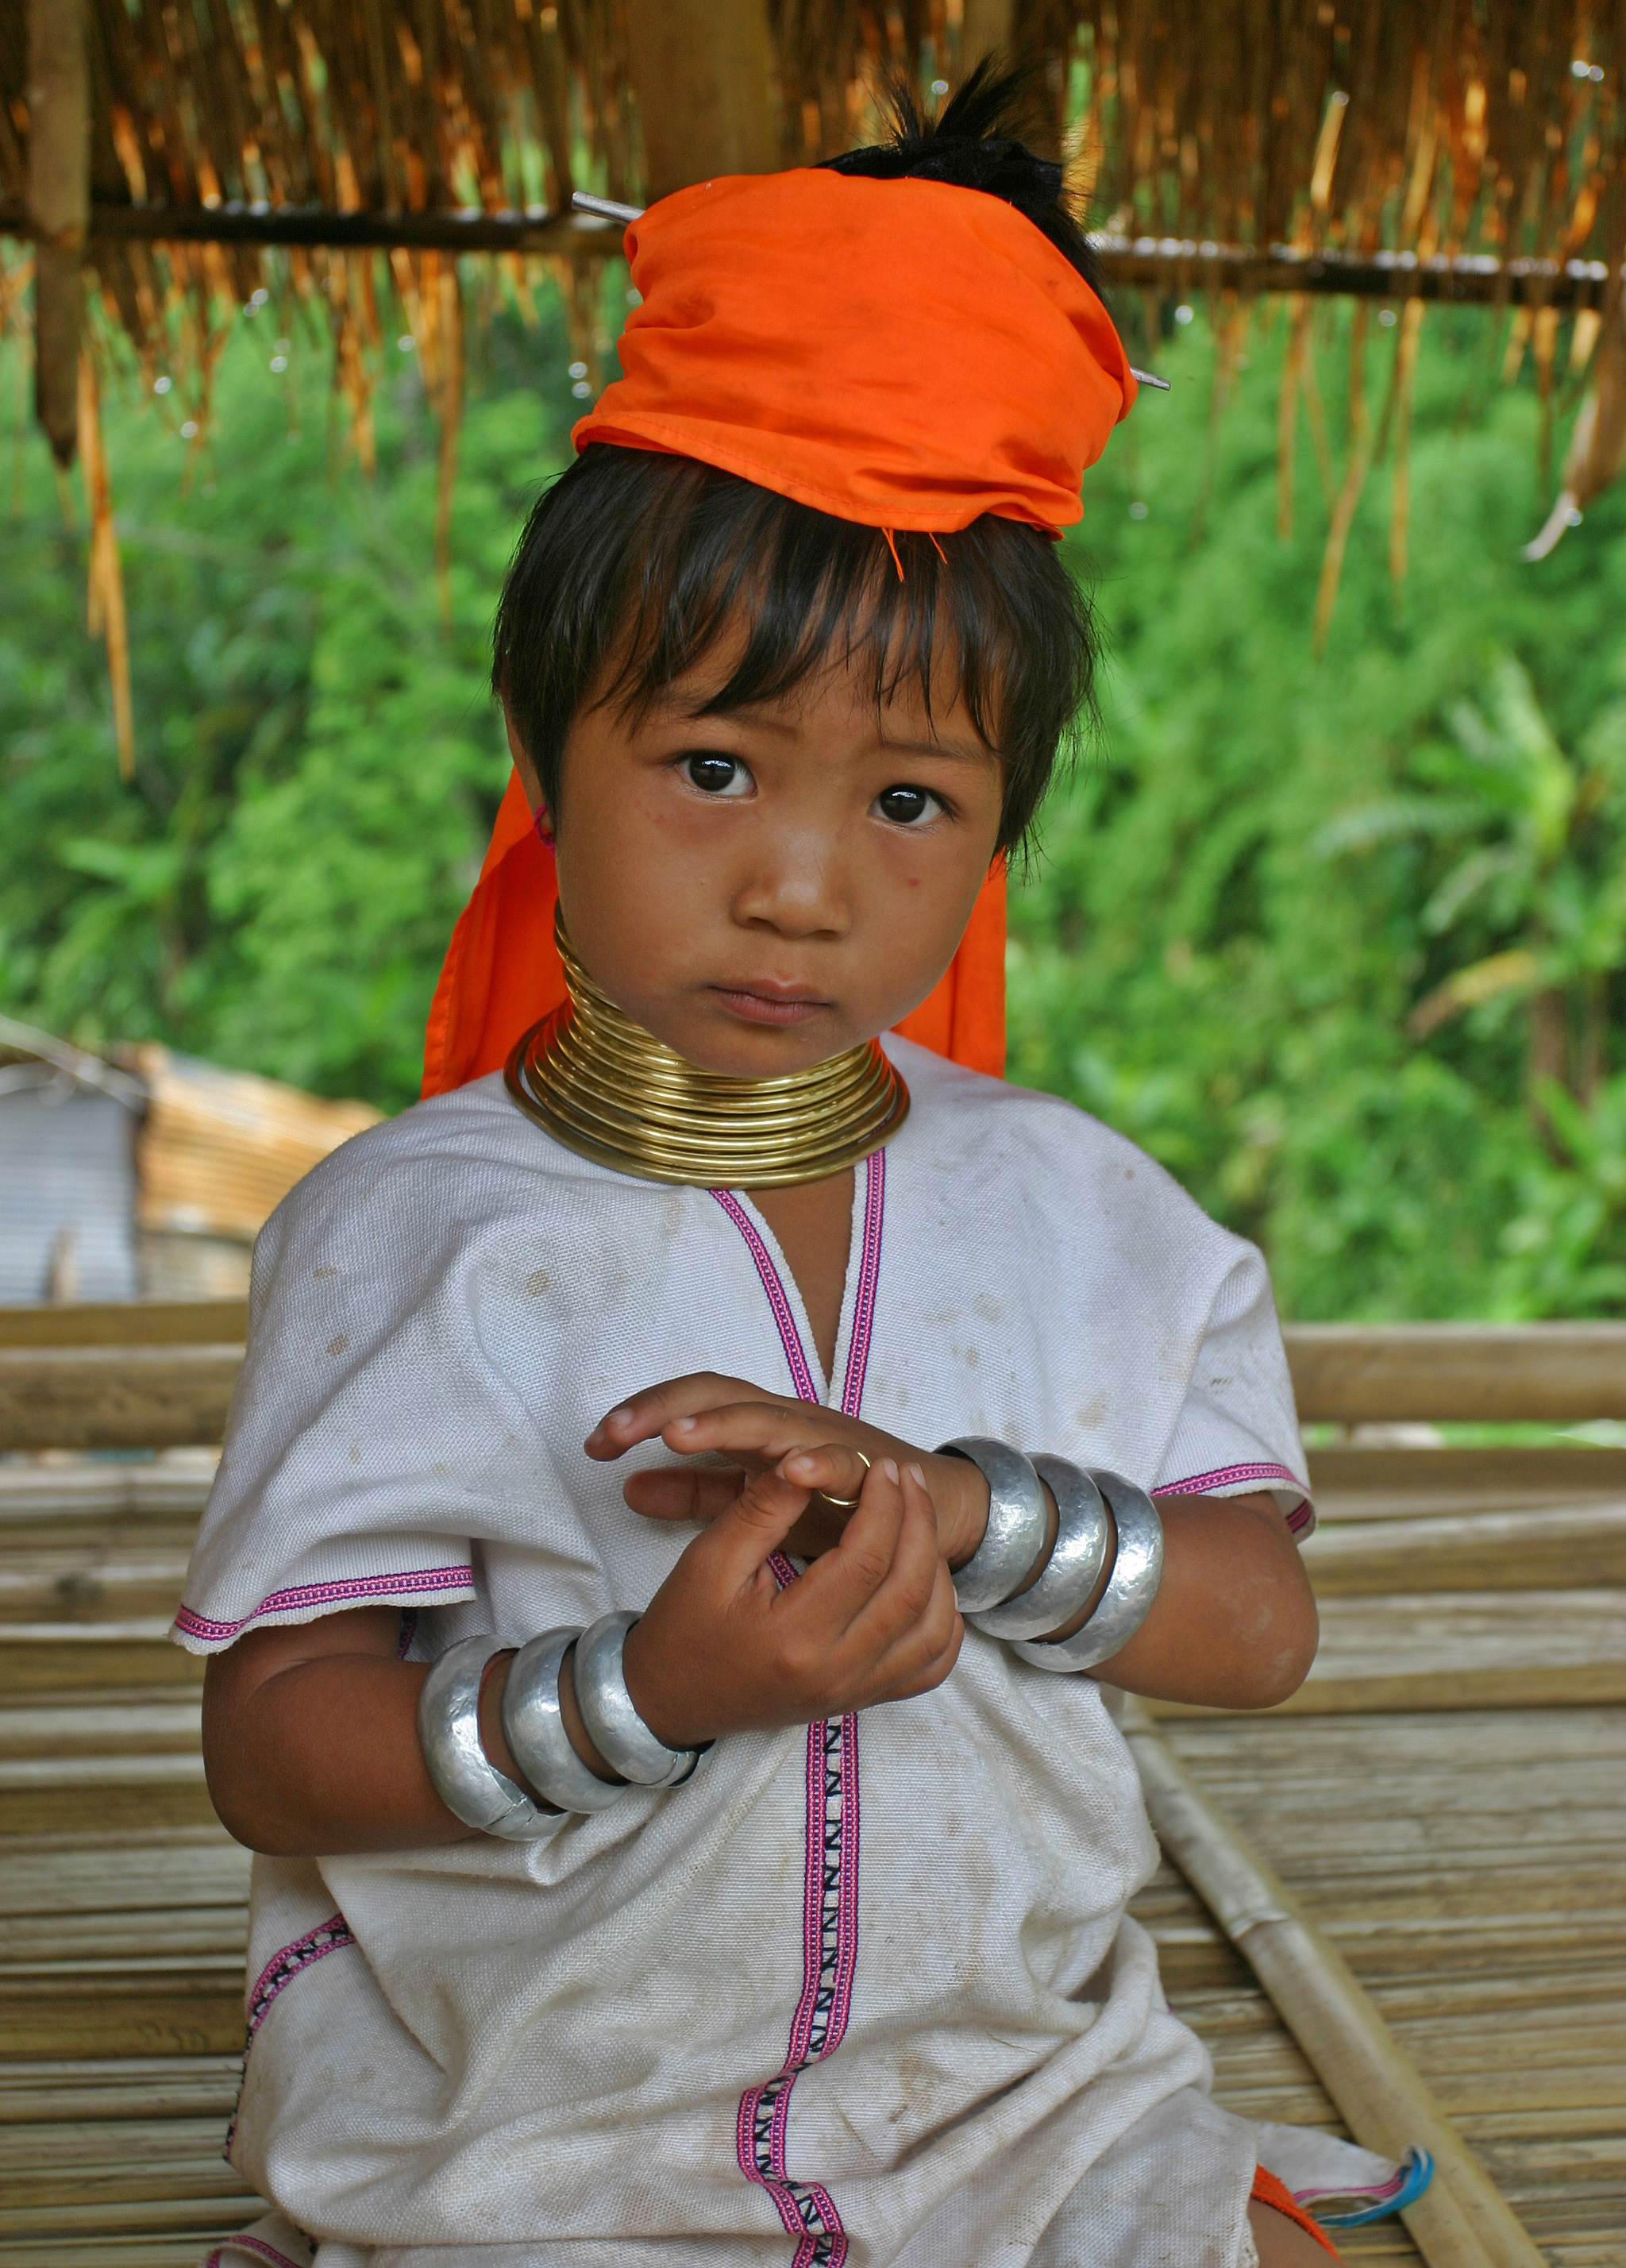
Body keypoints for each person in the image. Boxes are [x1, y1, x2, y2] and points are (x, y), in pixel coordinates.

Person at [181, 68, 1420, 2268]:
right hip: (536, 2129)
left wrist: (959, 1510)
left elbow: (1259, 1627)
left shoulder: (1093, 1223)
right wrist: (650, 1696)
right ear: (547, 762)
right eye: (717, 763)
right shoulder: (408, 1235)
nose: (799, 887)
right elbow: (278, 1749)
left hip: (1023, 2103)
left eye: (912, 802)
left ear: (1003, 828)